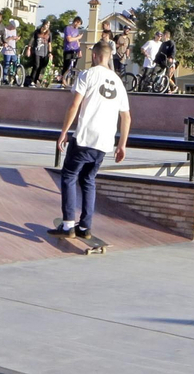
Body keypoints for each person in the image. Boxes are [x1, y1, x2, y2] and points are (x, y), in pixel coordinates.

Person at [52, 41, 130, 241]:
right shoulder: (118, 81)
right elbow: (126, 117)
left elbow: (74, 105)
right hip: (105, 142)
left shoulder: (88, 74)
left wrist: (63, 132)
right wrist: (122, 145)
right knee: (88, 180)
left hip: (85, 137)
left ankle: (68, 224)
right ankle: (85, 227)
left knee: (69, 176)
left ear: (95, 55)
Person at [27, 22, 54, 87]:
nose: (47, 26)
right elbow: (32, 40)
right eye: (46, 25)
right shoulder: (37, 32)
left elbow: (50, 44)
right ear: (43, 25)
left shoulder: (49, 33)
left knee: (40, 67)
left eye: (48, 25)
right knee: (36, 65)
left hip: (44, 52)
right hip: (37, 51)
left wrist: (50, 53)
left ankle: (36, 80)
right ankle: (32, 80)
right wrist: (29, 49)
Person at [62, 18, 83, 85]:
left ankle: (71, 83)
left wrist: (79, 50)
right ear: (75, 22)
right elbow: (69, 39)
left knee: (74, 67)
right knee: (66, 66)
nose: (78, 26)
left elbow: (77, 41)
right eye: (78, 24)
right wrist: (78, 37)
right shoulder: (68, 28)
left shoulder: (77, 30)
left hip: (75, 50)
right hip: (68, 49)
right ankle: (63, 82)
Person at [3, 18, 21, 82]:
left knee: (16, 62)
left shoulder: (14, 30)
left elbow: (14, 41)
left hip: (13, 49)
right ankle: (4, 78)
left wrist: (16, 39)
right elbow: (4, 40)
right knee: (6, 64)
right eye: (13, 27)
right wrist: (10, 38)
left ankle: (14, 76)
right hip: (7, 50)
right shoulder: (5, 30)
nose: (14, 28)